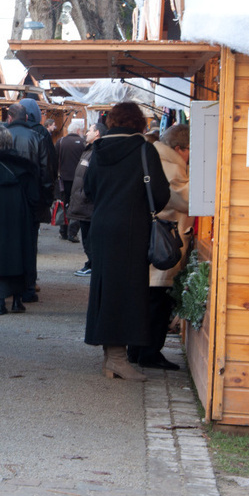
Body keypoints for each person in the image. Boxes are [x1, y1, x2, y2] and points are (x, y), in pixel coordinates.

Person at [83, 101, 170, 382]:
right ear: (139, 122)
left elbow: (89, 189)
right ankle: (118, 359)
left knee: (106, 289)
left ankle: (112, 358)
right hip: (132, 228)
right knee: (128, 293)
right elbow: (159, 194)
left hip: (102, 226)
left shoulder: (98, 149)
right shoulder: (144, 149)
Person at [129, 124, 192, 370]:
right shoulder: (171, 165)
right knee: (157, 301)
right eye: (189, 150)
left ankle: (138, 350)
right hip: (165, 240)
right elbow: (186, 199)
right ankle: (149, 352)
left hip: (153, 237)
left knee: (149, 300)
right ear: (179, 148)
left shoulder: (156, 156)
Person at [0, 123, 37, 315]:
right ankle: (17, 301)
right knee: (19, 254)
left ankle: (0, 302)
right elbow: (34, 194)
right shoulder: (24, 165)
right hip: (20, 215)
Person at [5, 101, 53, 303]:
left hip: (5, 198)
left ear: (9, 118)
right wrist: (45, 199)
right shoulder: (38, 137)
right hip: (31, 198)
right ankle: (28, 287)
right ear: (27, 118)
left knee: (7, 241)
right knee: (29, 243)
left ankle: (6, 285)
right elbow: (46, 171)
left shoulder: (1, 136)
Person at [67, 122, 102, 277]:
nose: (86, 133)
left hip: (88, 204)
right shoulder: (88, 150)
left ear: (98, 133)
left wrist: (86, 194)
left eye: (90, 130)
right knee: (87, 237)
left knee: (89, 238)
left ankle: (93, 264)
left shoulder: (96, 152)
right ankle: (91, 263)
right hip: (83, 202)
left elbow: (92, 179)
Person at [55, 118, 86, 242]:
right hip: (79, 180)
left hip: (63, 179)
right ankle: (72, 233)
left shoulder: (61, 142)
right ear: (78, 130)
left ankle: (63, 230)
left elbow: (55, 160)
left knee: (64, 204)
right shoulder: (83, 143)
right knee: (77, 205)